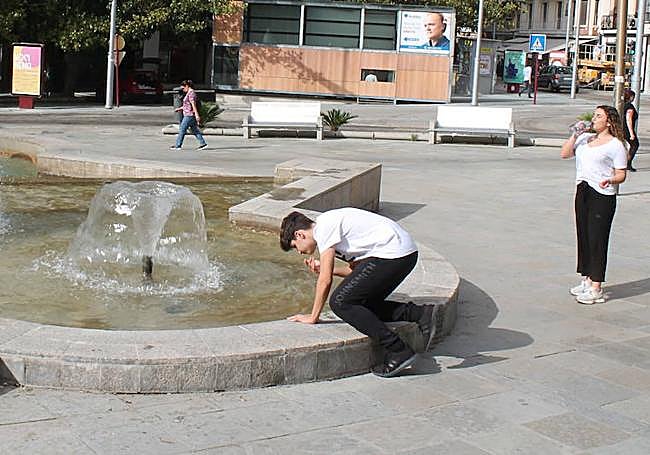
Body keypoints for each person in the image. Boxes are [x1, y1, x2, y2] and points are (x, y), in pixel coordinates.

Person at [280, 208, 436, 378]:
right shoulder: (330, 230)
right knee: (360, 305)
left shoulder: (324, 228)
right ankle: (420, 313)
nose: (300, 252)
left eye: (295, 247)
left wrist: (313, 317)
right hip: (404, 253)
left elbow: (325, 282)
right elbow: (356, 271)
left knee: (340, 302)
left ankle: (398, 350)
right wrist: (326, 269)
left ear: (299, 234)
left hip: (393, 253)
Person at [561, 106, 628, 304]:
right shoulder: (584, 139)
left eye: (599, 116)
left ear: (608, 122)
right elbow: (564, 154)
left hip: (602, 195)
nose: (594, 118)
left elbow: (621, 174)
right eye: (594, 114)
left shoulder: (616, 145)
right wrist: (575, 135)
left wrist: (611, 180)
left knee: (597, 238)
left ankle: (596, 285)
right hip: (583, 191)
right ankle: (586, 278)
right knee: (584, 235)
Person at [170, 80, 207, 151]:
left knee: (182, 129)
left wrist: (197, 115)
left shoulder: (191, 93)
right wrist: (180, 108)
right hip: (189, 114)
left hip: (189, 115)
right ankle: (203, 143)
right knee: (195, 130)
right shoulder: (189, 93)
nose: (183, 90)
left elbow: (193, 105)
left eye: (183, 88)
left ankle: (178, 145)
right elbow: (187, 105)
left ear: (187, 86)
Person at [623, 89, 639, 172]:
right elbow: (628, 119)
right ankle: (628, 164)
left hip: (621, 128)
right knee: (635, 145)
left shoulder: (622, 105)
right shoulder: (630, 106)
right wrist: (632, 133)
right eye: (633, 96)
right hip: (627, 130)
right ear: (630, 97)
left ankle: (627, 163)